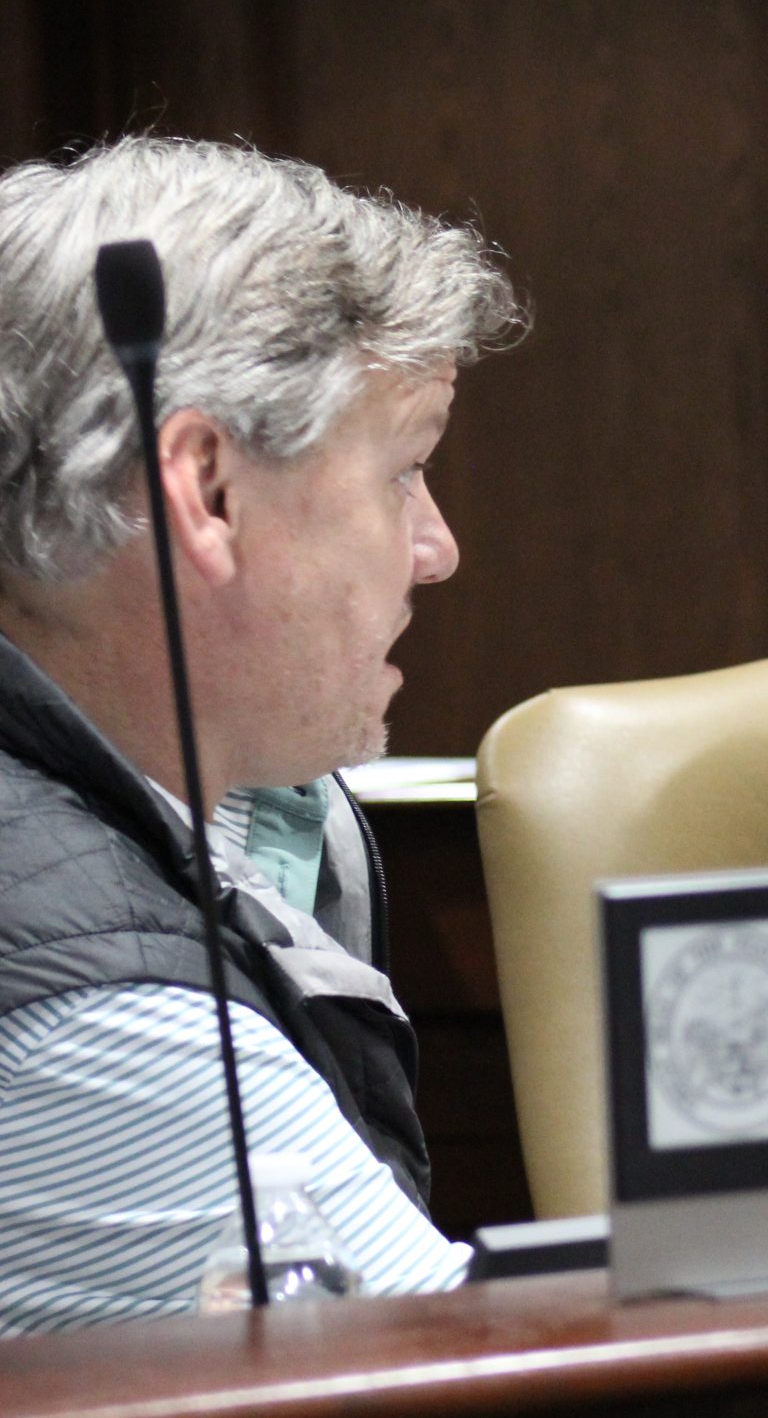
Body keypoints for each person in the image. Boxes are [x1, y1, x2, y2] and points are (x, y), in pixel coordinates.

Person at [0, 136, 523, 1330]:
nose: (438, 549)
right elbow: (462, 1373)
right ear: (207, 490)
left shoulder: (278, 812)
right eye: (405, 471)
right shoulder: (100, 1025)